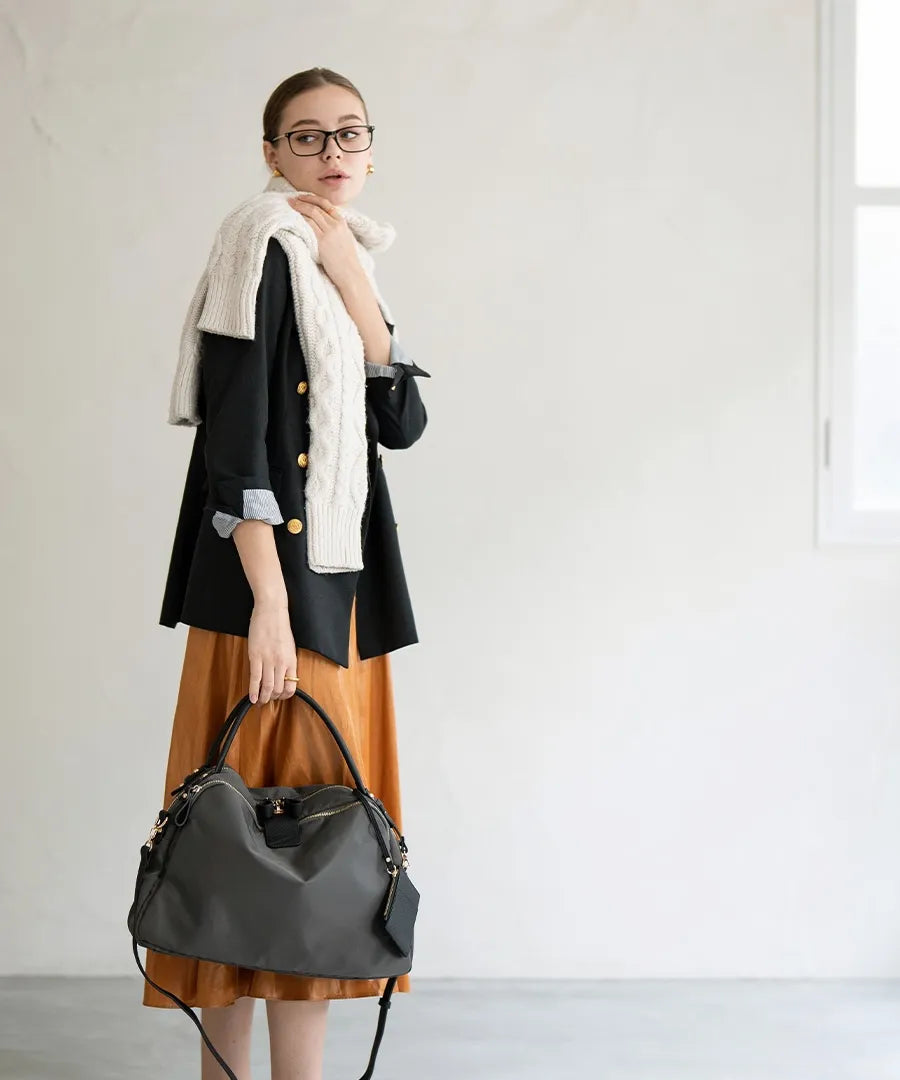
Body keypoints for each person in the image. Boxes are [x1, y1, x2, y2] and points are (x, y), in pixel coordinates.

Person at [140, 67, 430, 1080]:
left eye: (349, 133)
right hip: (272, 594)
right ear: (272, 153)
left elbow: (400, 419)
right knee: (244, 854)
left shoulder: (339, 258)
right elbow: (238, 444)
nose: (333, 153)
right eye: (308, 138)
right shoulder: (258, 245)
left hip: (334, 589)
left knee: (315, 861)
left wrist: (353, 280)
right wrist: (267, 603)